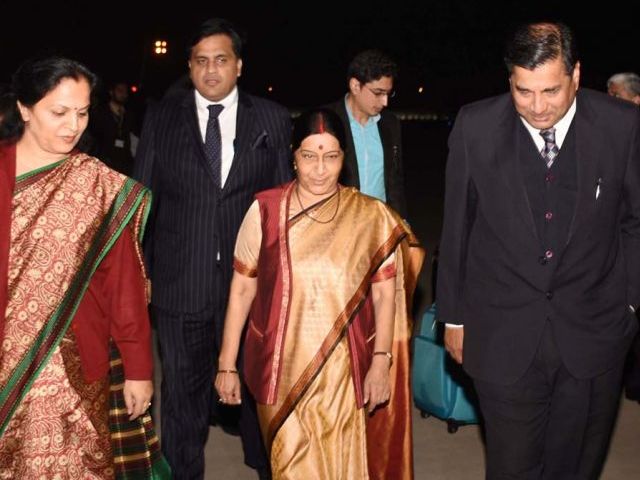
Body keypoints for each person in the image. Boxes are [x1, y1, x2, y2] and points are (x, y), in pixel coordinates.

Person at [438, 21, 640, 479]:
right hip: (500, 332)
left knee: (575, 467)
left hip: (595, 333)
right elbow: (456, 230)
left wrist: (629, 302)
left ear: (576, 75)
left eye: (550, 91)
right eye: (523, 91)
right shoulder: (476, 126)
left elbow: (635, 220)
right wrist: (453, 316)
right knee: (513, 467)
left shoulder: (621, 125)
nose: (537, 107)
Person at [215, 108, 424, 479]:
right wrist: (227, 365)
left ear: (344, 159)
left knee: (342, 468)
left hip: (343, 372)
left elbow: (384, 294)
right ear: (293, 156)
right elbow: (243, 289)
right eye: (309, 156)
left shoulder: (369, 216)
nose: (320, 169)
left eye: (331, 157)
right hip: (279, 371)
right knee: (291, 467)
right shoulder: (265, 210)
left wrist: (381, 361)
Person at [133, 17, 292, 480]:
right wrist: (139, 271)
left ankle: (269, 469)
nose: (210, 71)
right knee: (182, 399)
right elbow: (142, 199)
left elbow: (281, 206)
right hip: (182, 285)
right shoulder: (162, 118)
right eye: (201, 62)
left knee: (259, 394)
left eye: (221, 60)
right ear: (189, 66)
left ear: (239, 66)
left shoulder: (271, 118)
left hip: (251, 286)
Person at [0, 56, 169, 478]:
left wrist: (138, 369)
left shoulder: (98, 185)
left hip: (76, 367)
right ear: (24, 108)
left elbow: (124, 286)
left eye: (81, 112)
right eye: (58, 112)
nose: (72, 125)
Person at [327, 49, 408, 218]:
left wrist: (401, 223)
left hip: (379, 224)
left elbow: (395, 181)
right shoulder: (327, 121)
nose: (385, 102)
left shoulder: (391, 124)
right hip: (338, 225)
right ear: (355, 86)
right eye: (378, 93)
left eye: (388, 93)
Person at [88, 80, 137, 175]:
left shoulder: (129, 115)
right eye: (120, 90)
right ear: (111, 92)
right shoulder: (100, 113)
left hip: (123, 165)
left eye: (125, 91)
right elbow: (93, 138)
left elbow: (131, 137)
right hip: (103, 163)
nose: (124, 94)